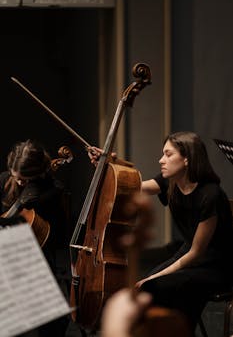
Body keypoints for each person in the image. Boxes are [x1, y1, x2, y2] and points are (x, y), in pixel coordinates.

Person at [88, 131, 233, 334]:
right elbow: (132, 186)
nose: (161, 160)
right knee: (145, 288)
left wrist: (156, 276)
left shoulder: (211, 195)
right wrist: (110, 163)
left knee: (157, 286)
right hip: (188, 254)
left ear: (187, 160)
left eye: (168, 154)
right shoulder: (170, 182)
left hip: (216, 266)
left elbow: (198, 252)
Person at [0, 139, 70, 337]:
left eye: (25, 179)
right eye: (17, 178)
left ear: (40, 171)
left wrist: (37, 201)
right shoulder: (3, 180)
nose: (20, 183)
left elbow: (58, 237)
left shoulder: (53, 190)